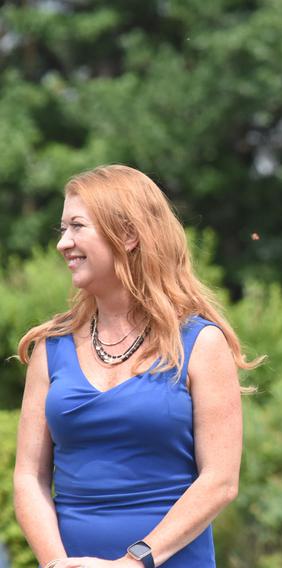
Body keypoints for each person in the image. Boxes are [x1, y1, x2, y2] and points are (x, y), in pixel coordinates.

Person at [13, 165, 261, 568]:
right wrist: (56, 564)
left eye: (77, 226)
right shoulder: (51, 347)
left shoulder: (200, 343)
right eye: (62, 228)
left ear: (128, 235)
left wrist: (133, 563)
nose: (63, 243)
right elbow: (29, 478)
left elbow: (220, 482)